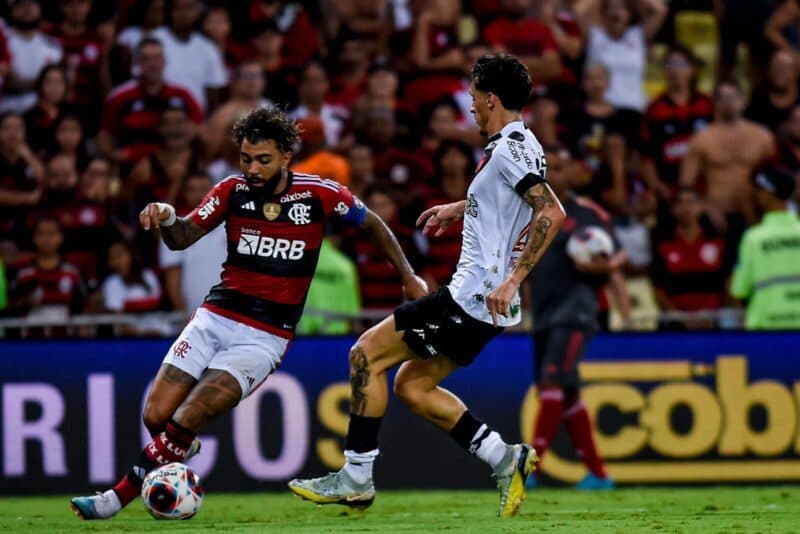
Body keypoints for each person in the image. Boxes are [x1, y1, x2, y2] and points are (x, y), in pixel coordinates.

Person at [69, 105, 426, 520]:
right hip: (214, 318)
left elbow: (374, 224)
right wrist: (167, 215)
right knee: (156, 416)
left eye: (263, 160)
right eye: (245, 159)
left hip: (264, 336)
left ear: (286, 157)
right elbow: (182, 237)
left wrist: (408, 276)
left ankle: (114, 498)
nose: (252, 169)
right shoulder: (231, 191)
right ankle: (181, 443)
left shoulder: (319, 194)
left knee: (188, 414)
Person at [289, 53, 566, 518]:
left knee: (364, 355)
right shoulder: (520, 145)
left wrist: (514, 279)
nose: (471, 105)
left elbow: (550, 212)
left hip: (473, 296)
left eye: (475, 96)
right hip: (485, 304)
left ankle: (356, 477)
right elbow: (511, 202)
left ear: (491, 97)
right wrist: (463, 207)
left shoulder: (508, 148)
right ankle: (505, 457)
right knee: (412, 387)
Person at [526, 144, 624, 490]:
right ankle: (599, 475)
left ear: (572, 172)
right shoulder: (530, 211)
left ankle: (529, 470)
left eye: (560, 166)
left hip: (576, 309)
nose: (553, 172)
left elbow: (615, 255)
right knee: (565, 392)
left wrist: (600, 264)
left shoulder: (587, 213)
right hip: (544, 312)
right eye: (546, 167)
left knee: (553, 381)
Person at [679, 80, 775, 229]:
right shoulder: (701, 139)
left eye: (733, 97)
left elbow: (776, 179)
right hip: (718, 216)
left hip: (756, 214)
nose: (728, 103)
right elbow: (686, 186)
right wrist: (706, 207)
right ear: (715, 103)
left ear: (743, 101)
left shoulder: (762, 137)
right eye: (722, 98)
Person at [98, 38, 203, 166]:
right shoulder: (120, 96)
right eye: (146, 59)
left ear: (164, 62)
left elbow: (199, 129)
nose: (152, 64)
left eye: (157, 58)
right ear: (137, 63)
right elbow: (105, 134)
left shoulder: (182, 94)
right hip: (130, 164)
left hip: (173, 163)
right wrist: (113, 156)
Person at [640, 45, 714, 206]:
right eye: (670, 65)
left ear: (692, 70)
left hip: (702, 189)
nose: (674, 70)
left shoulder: (707, 105)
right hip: (668, 190)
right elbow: (646, 157)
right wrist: (657, 186)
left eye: (680, 65)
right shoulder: (655, 109)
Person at [650, 188, 734, 328]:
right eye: (680, 203)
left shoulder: (719, 243)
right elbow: (657, 288)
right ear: (672, 210)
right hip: (677, 325)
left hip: (714, 321)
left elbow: (728, 282)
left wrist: (716, 315)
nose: (686, 208)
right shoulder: (662, 245)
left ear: (701, 207)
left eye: (691, 203)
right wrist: (681, 318)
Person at [730, 167, 800, 329]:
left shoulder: (754, 238)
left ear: (769, 193)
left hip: (766, 324)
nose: (757, 195)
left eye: (760, 190)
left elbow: (739, 289)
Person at [158, 173, 227, 313]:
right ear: (184, 194)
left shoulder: (231, 225)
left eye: (204, 189)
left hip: (231, 316)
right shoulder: (173, 230)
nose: (198, 195)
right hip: (193, 317)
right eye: (192, 190)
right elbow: (173, 282)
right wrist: (184, 317)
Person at [151, 0, 228, 111]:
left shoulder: (208, 48)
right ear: (170, 11)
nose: (184, 13)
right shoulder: (155, 39)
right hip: (157, 112)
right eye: (179, 8)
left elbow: (213, 93)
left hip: (195, 119)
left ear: (197, 12)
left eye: (189, 8)